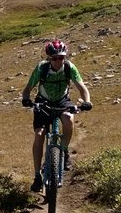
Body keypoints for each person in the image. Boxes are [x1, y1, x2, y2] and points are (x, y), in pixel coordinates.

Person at [21, 39, 92, 192]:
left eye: (61, 57)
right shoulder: (41, 68)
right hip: (43, 102)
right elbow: (28, 88)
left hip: (62, 101)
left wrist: (87, 101)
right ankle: (37, 176)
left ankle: (64, 151)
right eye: (55, 58)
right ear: (49, 58)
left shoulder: (69, 67)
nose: (58, 61)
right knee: (39, 134)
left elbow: (82, 87)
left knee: (68, 118)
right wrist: (26, 99)